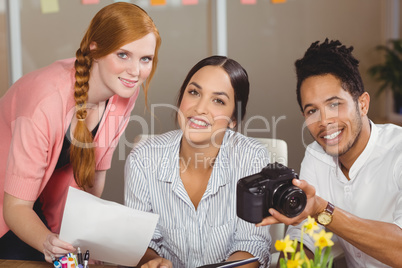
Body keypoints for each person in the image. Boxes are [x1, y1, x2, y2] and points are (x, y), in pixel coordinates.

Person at [0, 2, 161, 263]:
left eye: (145, 59)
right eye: (123, 55)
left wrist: (86, 237)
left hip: (44, 201)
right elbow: (16, 207)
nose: (135, 71)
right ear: (95, 49)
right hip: (10, 207)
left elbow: (93, 177)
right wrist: (48, 242)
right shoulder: (44, 102)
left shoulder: (122, 91)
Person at [258, 39, 402, 267]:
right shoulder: (316, 156)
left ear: (362, 104)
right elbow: (304, 238)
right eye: (312, 110)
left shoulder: (398, 152)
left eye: (334, 104)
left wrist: (321, 209)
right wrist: (294, 258)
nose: (324, 121)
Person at [124, 55, 271, 268]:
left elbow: (251, 243)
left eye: (218, 100)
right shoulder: (143, 158)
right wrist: (152, 262)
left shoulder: (252, 158)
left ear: (233, 119)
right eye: (194, 92)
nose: (200, 108)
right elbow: (141, 240)